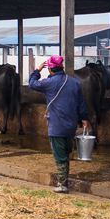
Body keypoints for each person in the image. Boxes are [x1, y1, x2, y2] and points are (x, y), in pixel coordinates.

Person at [29, 55, 89, 193]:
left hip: (56, 126)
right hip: (71, 126)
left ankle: (62, 184)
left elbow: (32, 83)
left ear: (50, 70)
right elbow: (81, 104)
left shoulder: (49, 83)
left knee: (59, 156)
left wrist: (37, 70)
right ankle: (64, 181)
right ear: (62, 67)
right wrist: (84, 119)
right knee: (66, 153)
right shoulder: (75, 82)